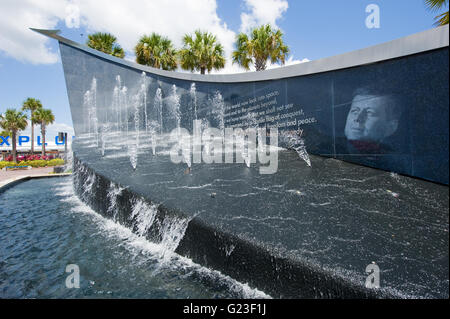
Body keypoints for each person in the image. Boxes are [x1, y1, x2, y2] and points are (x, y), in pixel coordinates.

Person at [343, 87, 402, 154]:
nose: (358, 119)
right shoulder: (332, 148)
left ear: (391, 127)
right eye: (354, 111)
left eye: (370, 113)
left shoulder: (397, 160)